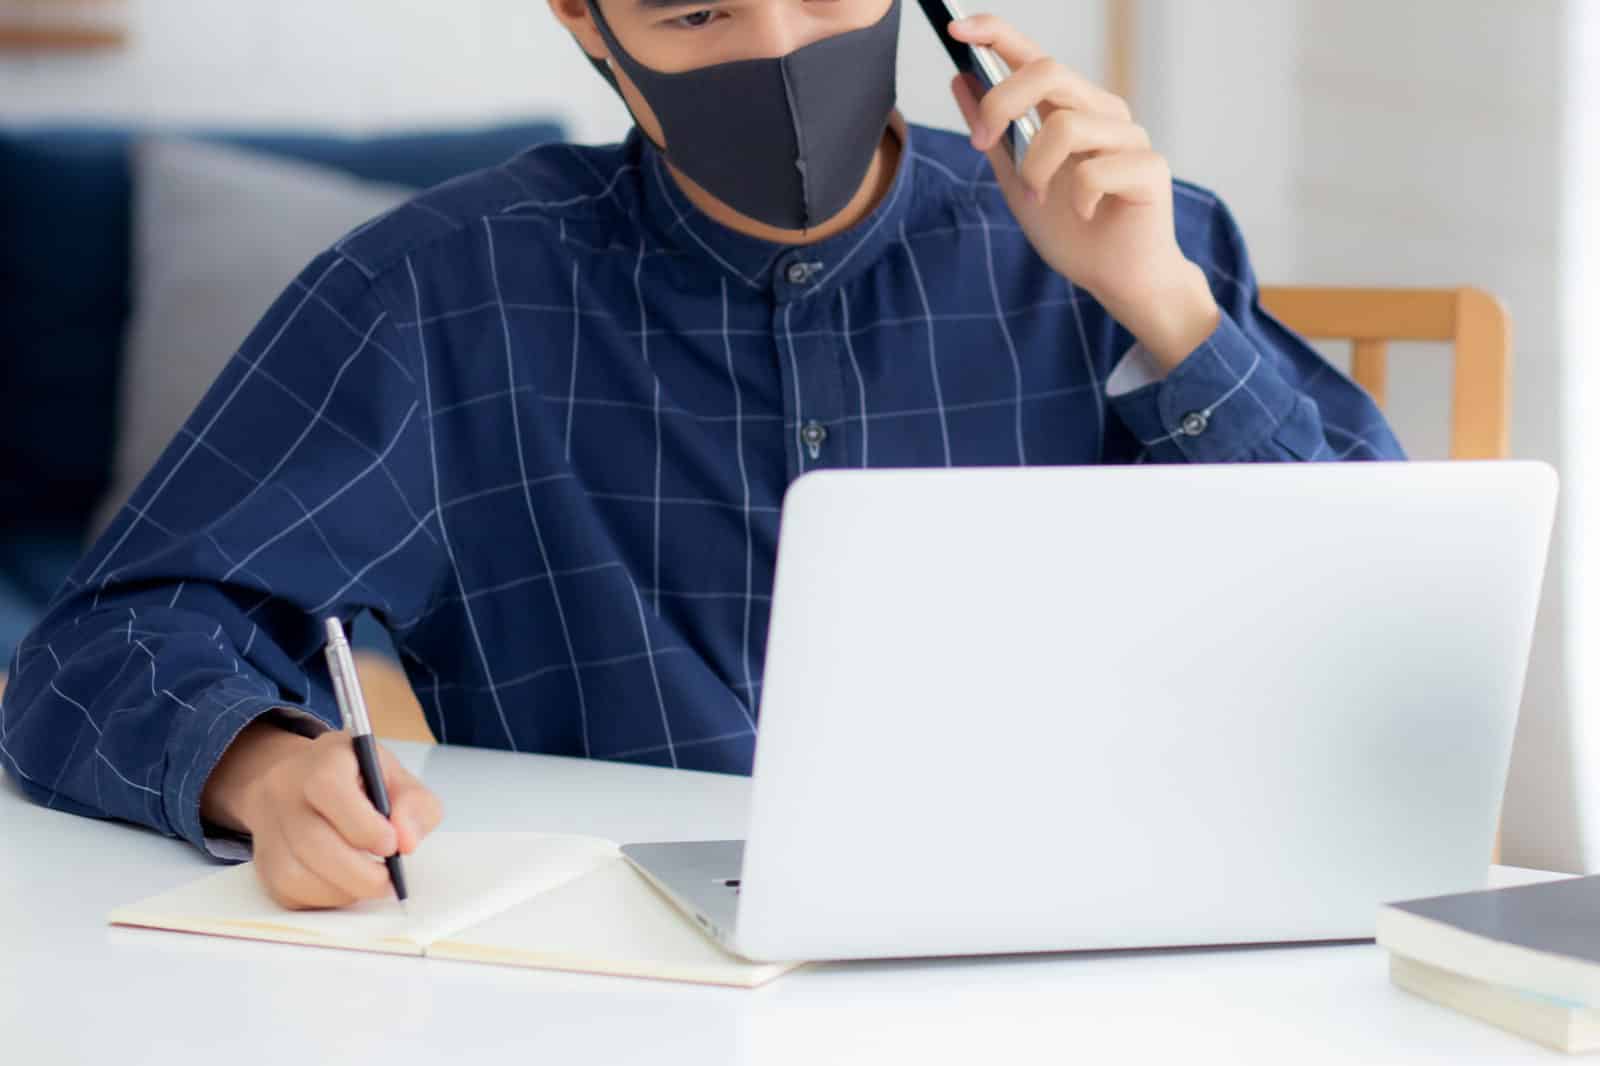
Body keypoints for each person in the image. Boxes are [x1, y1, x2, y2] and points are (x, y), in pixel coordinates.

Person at [0, 0, 1404, 910]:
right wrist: (256, 759)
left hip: (1071, 964)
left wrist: (1166, 306)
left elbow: (1383, 645)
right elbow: (101, 643)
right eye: (696, 12)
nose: (780, 48)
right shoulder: (439, 293)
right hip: (614, 996)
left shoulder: (1130, 246)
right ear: (586, 24)